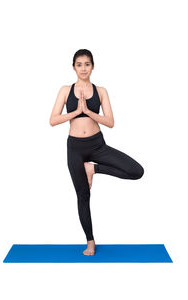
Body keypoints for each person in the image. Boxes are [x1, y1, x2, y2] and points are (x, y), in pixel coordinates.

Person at [49, 49, 144, 256]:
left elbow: (110, 122)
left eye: (87, 64)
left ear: (93, 66)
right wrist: (75, 111)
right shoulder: (65, 90)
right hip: (75, 148)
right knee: (83, 195)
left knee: (136, 171)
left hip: (97, 145)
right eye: (79, 64)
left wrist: (90, 111)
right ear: (73, 67)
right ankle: (90, 241)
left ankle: (94, 168)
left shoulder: (101, 91)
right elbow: (53, 120)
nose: (83, 68)